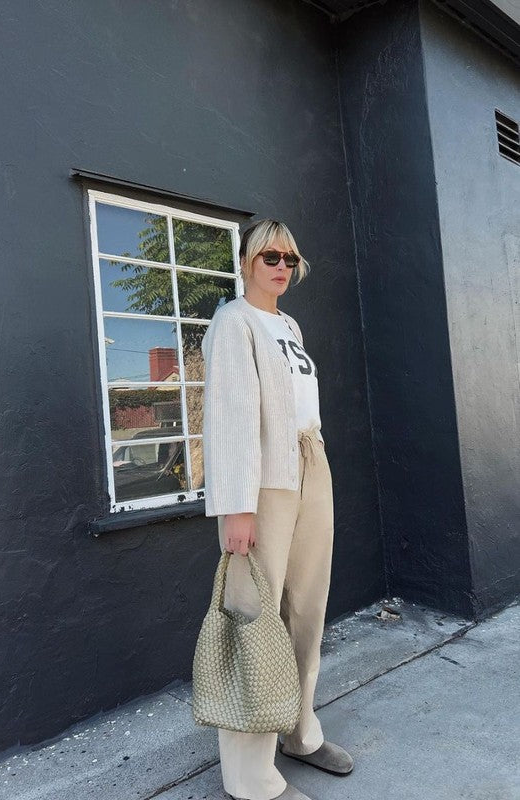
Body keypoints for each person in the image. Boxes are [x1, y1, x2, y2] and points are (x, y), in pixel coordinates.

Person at [200, 219, 354, 800]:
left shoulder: (288, 324)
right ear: (245, 261)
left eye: (290, 258)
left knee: (308, 604)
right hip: (263, 480)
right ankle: (250, 776)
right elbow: (230, 417)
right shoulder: (233, 322)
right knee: (255, 613)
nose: (282, 266)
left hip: (310, 462)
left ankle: (298, 730)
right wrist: (237, 507)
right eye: (270, 256)